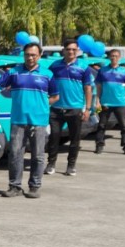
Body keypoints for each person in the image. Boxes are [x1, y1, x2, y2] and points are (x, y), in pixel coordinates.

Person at [0, 42, 55, 199]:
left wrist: (41, 105)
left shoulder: (47, 74)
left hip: (39, 121)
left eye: (34, 55)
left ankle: (34, 186)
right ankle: (14, 186)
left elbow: (55, 96)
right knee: (15, 153)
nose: (30, 57)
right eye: (28, 54)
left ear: (40, 56)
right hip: (18, 120)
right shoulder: (14, 72)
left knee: (38, 155)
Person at [45, 39, 94, 176]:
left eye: (74, 49)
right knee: (54, 138)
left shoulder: (84, 67)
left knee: (74, 139)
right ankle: (51, 164)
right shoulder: (54, 66)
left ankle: (71, 165)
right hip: (56, 109)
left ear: (77, 51)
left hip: (75, 109)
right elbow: (46, 83)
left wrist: (88, 109)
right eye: (68, 49)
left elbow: (88, 89)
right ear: (64, 50)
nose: (71, 52)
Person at [94, 48, 125, 155]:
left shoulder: (124, 71)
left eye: (116, 56)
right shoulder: (102, 71)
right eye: (112, 56)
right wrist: (97, 101)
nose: (114, 58)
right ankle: (99, 145)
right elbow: (99, 87)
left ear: (119, 58)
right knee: (101, 125)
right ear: (109, 57)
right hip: (105, 103)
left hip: (120, 103)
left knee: (124, 126)